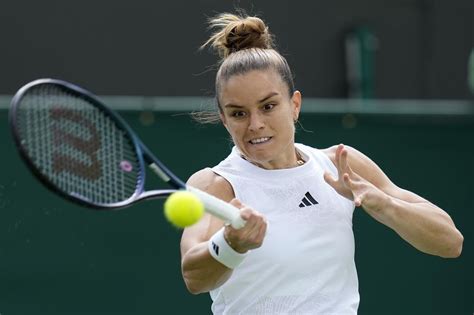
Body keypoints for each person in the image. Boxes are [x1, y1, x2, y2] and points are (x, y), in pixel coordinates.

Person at [180, 12, 464, 314]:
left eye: (268, 106)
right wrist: (231, 243)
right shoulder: (213, 185)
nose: (255, 124)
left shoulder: (340, 164)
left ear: (295, 105)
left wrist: (383, 204)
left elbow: (450, 242)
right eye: (238, 113)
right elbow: (194, 277)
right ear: (224, 120)